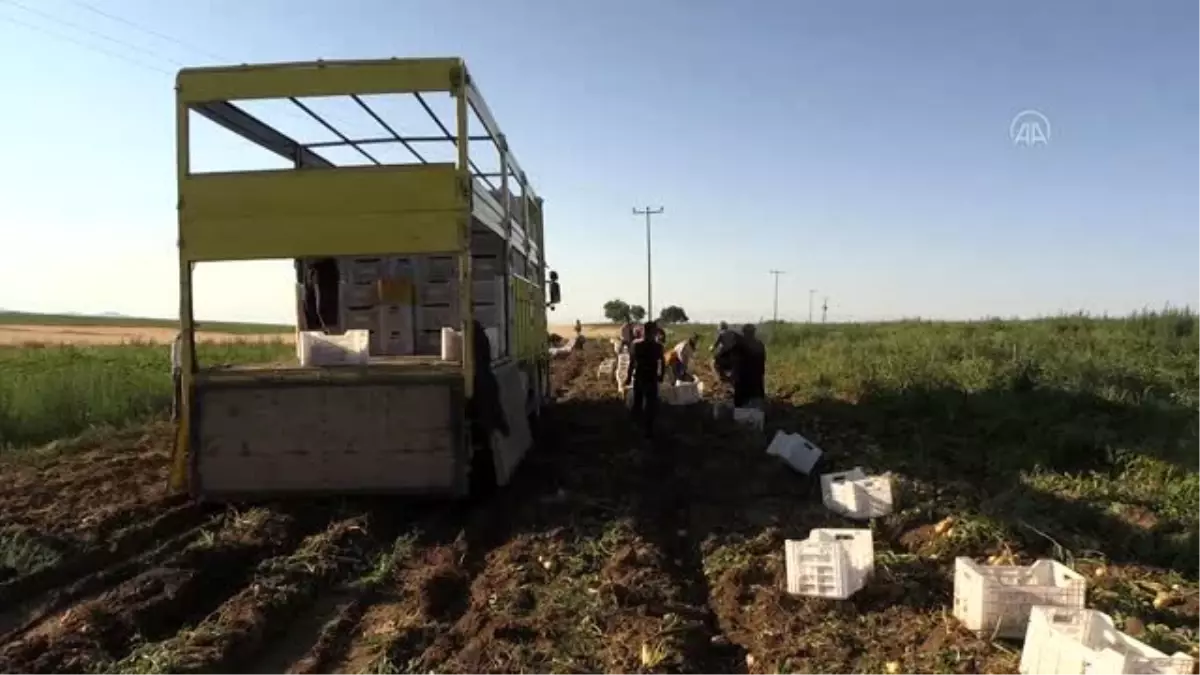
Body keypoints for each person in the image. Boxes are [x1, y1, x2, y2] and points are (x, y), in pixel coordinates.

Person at [624, 321, 665, 438]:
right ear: (653, 332)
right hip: (651, 378)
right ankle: (648, 429)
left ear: (643, 331)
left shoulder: (636, 345)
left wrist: (628, 377)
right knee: (650, 404)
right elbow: (662, 362)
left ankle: (636, 425)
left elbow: (632, 363)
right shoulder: (658, 347)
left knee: (638, 402)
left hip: (640, 376)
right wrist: (661, 376)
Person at [470, 320, 510, 437]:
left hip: (480, 374)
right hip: (484, 374)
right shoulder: (481, 335)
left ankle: (495, 425)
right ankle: (497, 425)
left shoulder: (474, 335)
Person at [730, 323, 766, 408]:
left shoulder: (739, 345)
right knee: (756, 400)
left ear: (744, 332)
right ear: (754, 332)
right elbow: (763, 360)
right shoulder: (760, 344)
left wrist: (734, 375)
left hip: (743, 378)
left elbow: (735, 362)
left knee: (740, 402)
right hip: (756, 378)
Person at [170, 331, 184, 422]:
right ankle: (176, 416)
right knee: (179, 394)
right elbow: (178, 360)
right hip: (178, 370)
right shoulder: (179, 343)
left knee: (178, 394)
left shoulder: (176, 341)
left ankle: (176, 415)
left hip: (177, 370)